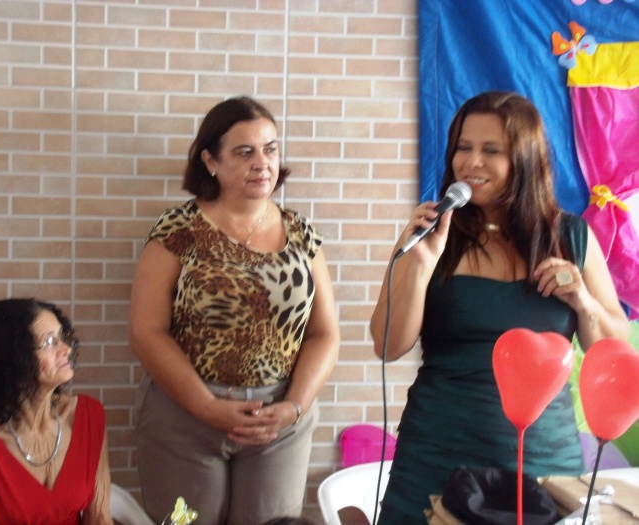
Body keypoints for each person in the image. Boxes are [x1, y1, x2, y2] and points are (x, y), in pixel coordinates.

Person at [370, 91, 630, 524]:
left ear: (524, 160)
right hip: (436, 456)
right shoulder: (432, 232)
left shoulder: (570, 236)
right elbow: (387, 345)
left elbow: (613, 348)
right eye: (463, 148)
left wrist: (582, 301)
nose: (471, 162)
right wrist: (420, 266)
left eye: (491, 151)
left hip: (544, 464)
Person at [129, 95, 340, 525]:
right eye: (244, 152)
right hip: (184, 418)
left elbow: (325, 333)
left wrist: (294, 407)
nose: (262, 163)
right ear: (210, 161)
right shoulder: (178, 230)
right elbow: (146, 332)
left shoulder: (301, 233)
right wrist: (206, 407)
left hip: (278, 423)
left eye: (270, 149)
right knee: (184, 523)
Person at [0, 298, 113, 525]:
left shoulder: (88, 417)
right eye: (50, 342)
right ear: (12, 359)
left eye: (62, 337)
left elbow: (100, 518)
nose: (66, 349)